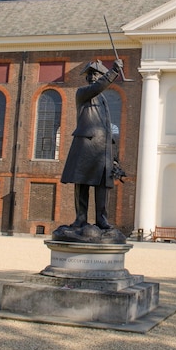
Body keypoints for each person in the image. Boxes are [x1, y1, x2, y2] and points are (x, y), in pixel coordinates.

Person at [61, 59, 124, 230]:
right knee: (81, 184)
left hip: (102, 149)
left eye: (96, 73)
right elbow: (97, 87)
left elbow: (108, 128)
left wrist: (115, 158)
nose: (92, 76)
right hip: (86, 145)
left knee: (103, 185)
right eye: (89, 74)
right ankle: (80, 219)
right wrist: (114, 72)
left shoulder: (103, 100)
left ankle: (102, 219)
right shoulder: (82, 93)